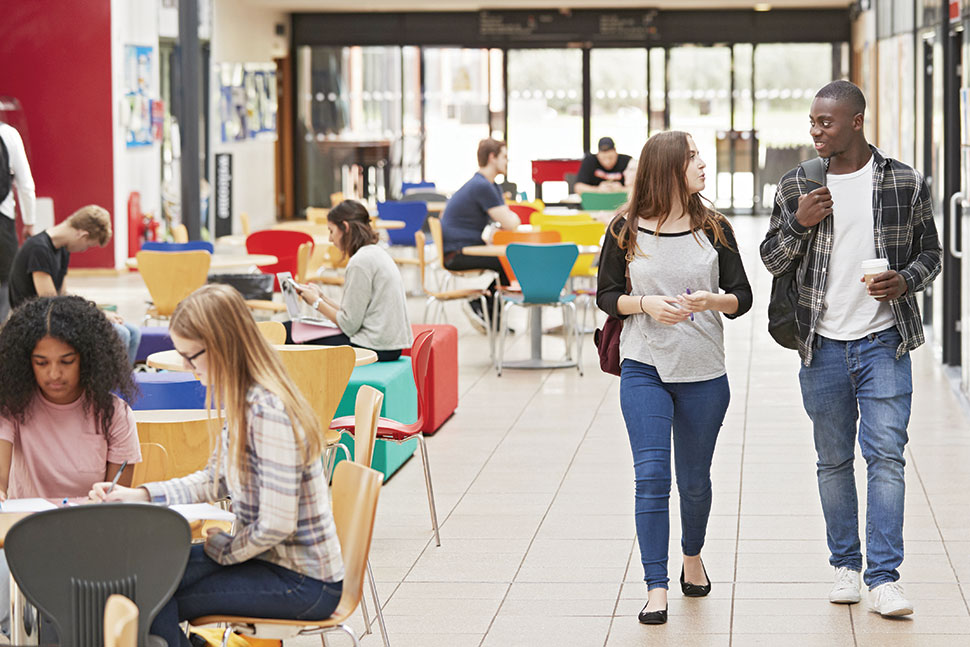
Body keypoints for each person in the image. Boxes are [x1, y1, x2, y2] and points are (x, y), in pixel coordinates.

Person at [760, 80, 941, 617]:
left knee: (885, 458)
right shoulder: (798, 183)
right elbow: (771, 259)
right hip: (822, 344)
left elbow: (932, 252)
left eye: (826, 122)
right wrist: (800, 222)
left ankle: (884, 578)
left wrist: (906, 280)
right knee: (833, 460)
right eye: (812, 122)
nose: (815, 131)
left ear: (856, 122)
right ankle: (847, 566)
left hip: (885, 340)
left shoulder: (904, 181)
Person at [90, 284, 344, 646]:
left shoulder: (266, 411)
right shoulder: (244, 399)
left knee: (150, 594)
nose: (189, 368)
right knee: (146, 575)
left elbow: (277, 523)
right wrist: (138, 494)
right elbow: (214, 480)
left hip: (302, 581)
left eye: (192, 356)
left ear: (224, 345)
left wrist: (223, 549)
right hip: (271, 561)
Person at [596, 130, 751, 625]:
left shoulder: (715, 226)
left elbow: (741, 296)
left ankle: (691, 556)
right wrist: (645, 304)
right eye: (692, 157)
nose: (703, 164)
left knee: (695, 483)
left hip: (705, 371)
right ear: (667, 168)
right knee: (652, 476)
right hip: (644, 365)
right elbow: (606, 295)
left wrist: (712, 300)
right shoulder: (625, 228)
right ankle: (655, 587)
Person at [0, 295, 141, 635]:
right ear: (25, 362)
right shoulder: (12, 408)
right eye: (41, 362)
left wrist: (107, 500)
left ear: (88, 359)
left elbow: (119, 497)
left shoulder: (114, 414)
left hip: (90, 540)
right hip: (24, 537)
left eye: (66, 361)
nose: (54, 374)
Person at [7, 204, 142, 364]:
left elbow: (63, 296)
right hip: (35, 320)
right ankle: (108, 385)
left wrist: (97, 311)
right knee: (120, 334)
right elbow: (51, 303)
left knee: (133, 332)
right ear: (83, 235)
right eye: (89, 245)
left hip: (52, 313)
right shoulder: (39, 249)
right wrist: (97, 315)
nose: (84, 249)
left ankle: (123, 384)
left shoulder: (62, 250)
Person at [287, 200, 412, 362]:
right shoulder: (374, 253)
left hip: (375, 347)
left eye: (331, 231)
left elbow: (348, 325)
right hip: (387, 346)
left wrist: (316, 303)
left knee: (290, 332)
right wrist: (322, 298)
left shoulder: (360, 262)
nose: (330, 239)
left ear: (345, 227)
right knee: (297, 330)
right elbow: (354, 314)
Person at [439, 138, 520, 333]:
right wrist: (513, 218)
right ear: (492, 158)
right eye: (504, 157)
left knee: (508, 263)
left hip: (462, 248)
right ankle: (482, 309)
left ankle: (488, 313)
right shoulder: (482, 186)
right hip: (456, 254)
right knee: (511, 263)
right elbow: (511, 223)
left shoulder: (486, 185)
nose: (507, 162)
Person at [0, 121, 36, 322]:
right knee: (6, 277)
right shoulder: (8, 133)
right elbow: (25, 184)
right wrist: (29, 222)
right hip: (2, 219)